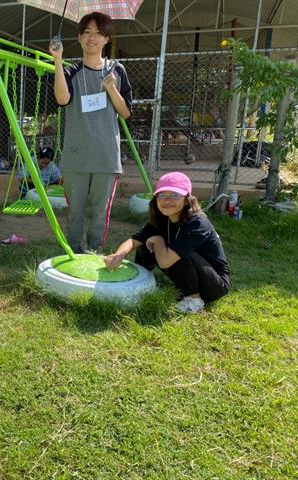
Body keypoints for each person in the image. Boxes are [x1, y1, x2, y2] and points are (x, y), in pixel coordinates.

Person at [50, 11, 132, 253]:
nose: (92, 38)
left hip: (106, 156)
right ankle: (74, 253)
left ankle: (94, 252)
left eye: (98, 33)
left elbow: (126, 112)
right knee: (75, 210)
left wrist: (111, 88)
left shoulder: (117, 70)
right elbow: (62, 99)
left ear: (107, 39)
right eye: (87, 32)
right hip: (76, 156)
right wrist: (57, 60)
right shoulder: (70, 71)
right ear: (79, 37)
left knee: (99, 211)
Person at [104, 172, 230, 313]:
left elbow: (165, 262)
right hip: (190, 272)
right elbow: (134, 241)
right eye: (162, 195)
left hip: (213, 285)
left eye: (175, 195)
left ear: (187, 199)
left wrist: (158, 240)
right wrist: (118, 255)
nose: (167, 200)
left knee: (177, 251)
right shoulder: (163, 217)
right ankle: (142, 283)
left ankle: (194, 300)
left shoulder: (197, 223)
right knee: (146, 243)